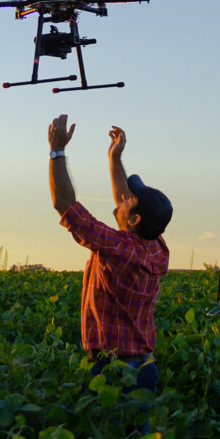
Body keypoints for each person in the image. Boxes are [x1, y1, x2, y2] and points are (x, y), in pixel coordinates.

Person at [47, 114, 172, 394]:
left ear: (135, 220)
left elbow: (65, 205)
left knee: (103, 436)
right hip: (144, 367)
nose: (124, 197)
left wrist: (57, 151)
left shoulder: (120, 248)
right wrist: (114, 159)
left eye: (130, 198)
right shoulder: (157, 247)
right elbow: (122, 203)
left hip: (114, 371)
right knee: (137, 438)